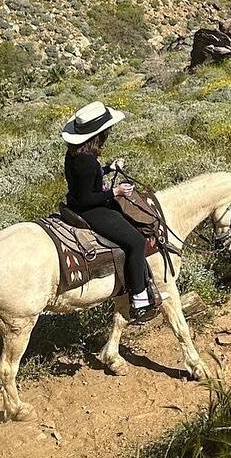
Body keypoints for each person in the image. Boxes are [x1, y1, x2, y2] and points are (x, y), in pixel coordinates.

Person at [62, 101, 158, 323]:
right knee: (135, 241)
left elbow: (86, 180)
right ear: (99, 134)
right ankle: (140, 297)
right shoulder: (86, 160)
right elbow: (88, 197)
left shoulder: (76, 154)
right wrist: (116, 191)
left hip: (76, 203)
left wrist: (108, 168)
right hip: (89, 210)